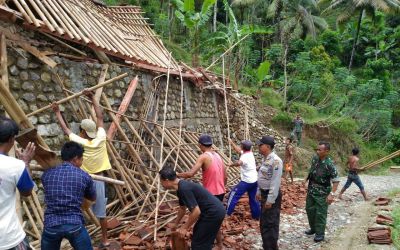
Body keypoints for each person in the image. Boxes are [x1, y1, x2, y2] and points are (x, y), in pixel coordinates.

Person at [52, 89, 111, 248]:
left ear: (82, 131)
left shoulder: (80, 142)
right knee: (101, 213)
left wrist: (57, 112)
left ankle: (79, 240)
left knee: (77, 211)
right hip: (99, 179)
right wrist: (93, 98)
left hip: (82, 181)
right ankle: (105, 239)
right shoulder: (101, 138)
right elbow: (99, 117)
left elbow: (65, 129)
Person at [41, 141, 96, 250]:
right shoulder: (84, 176)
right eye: (81, 159)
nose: (82, 161)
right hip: (74, 224)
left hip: (51, 225)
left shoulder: (46, 175)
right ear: (76, 158)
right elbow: (93, 197)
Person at [177, 134, 226, 249]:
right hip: (221, 190)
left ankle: (205, 244)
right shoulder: (217, 155)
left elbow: (190, 174)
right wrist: (222, 185)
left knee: (208, 219)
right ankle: (219, 244)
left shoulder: (203, 156)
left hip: (210, 193)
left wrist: (177, 175)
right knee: (215, 219)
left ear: (200, 145)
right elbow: (225, 174)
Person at [160, 166, 225, 250]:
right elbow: (182, 209)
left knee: (198, 243)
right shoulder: (181, 187)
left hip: (213, 213)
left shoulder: (184, 189)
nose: (161, 183)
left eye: (161, 181)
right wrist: (176, 224)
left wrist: (184, 228)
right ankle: (220, 246)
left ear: (166, 181)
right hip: (215, 210)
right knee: (205, 230)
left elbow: (196, 211)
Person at [0, 116, 36, 250]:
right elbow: (27, 193)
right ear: (11, 139)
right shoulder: (15, 166)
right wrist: (25, 163)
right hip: (8, 238)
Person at [304, 142, 340, 242]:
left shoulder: (330, 165)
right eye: (317, 149)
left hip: (323, 192)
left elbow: (336, 181)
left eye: (320, 150)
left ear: (327, 151)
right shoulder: (315, 159)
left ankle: (320, 234)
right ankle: (313, 228)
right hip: (311, 190)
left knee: (320, 213)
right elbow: (311, 171)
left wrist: (331, 194)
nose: (317, 151)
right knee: (309, 209)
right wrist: (305, 180)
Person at [257, 136, 283, 250]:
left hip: (270, 195)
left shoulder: (276, 161)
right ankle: (268, 246)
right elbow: (262, 176)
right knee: (264, 222)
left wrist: (270, 199)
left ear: (267, 147)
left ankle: (271, 247)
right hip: (264, 193)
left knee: (270, 223)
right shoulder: (266, 159)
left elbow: (275, 182)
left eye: (260, 145)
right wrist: (258, 190)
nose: (258, 146)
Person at [226, 139, 260, 219]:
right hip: (254, 180)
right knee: (253, 199)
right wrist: (231, 143)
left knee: (233, 194)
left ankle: (227, 213)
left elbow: (239, 163)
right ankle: (257, 216)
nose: (240, 147)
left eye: (240, 145)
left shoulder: (244, 157)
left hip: (247, 181)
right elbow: (238, 150)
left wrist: (231, 165)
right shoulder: (249, 153)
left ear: (242, 147)